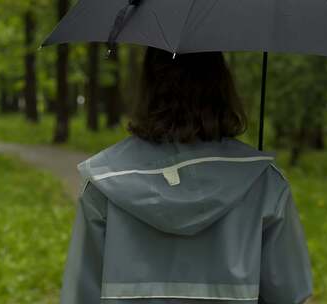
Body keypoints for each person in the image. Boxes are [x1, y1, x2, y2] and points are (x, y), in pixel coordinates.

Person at [60, 47, 313, 304]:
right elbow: (290, 294)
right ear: (222, 86)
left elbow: (80, 297)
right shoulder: (264, 183)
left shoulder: (104, 181)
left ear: (147, 87)